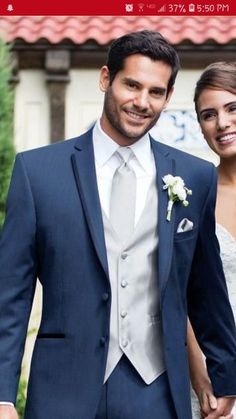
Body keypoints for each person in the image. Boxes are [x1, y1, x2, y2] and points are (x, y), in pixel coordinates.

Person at [0, 31, 235, 419]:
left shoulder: (194, 176)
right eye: (132, 85)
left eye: (156, 92)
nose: (142, 102)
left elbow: (205, 287)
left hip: (156, 390)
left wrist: (227, 376)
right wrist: (3, 395)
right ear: (106, 78)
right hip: (63, 389)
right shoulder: (37, 172)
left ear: (168, 96)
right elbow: (10, 295)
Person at [187, 61, 236, 419]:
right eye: (209, 114)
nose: (221, 123)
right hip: (212, 372)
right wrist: (200, 372)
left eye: (233, 108)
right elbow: (180, 293)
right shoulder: (193, 195)